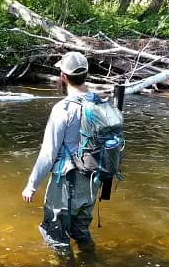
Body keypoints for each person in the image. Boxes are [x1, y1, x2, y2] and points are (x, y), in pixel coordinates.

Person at [21, 51, 115, 256]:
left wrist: (31, 185)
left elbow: (48, 153)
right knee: (80, 231)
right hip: (93, 179)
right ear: (86, 75)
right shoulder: (102, 103)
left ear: (63, 77)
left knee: (54, 234)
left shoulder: (63, 109)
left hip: (66, 182)